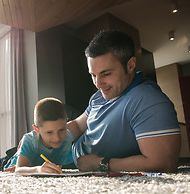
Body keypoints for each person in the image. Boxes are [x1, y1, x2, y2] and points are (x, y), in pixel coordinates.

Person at [67, 30, 181, 173]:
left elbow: (164, 163)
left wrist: (100, 164)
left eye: (106, 74)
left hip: (75, 164)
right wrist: (50, 139)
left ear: (131, 65)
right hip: (64, 151)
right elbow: (78, 125)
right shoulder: (99, 95)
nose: (97, 84)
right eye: (93, 75)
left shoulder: (148, 100)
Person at [0, 97, 74, 174]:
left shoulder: (68, 137)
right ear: (36, 129)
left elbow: (58, 162)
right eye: (49, 132)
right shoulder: (30, 140)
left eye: (61, 130)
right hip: (12, 161)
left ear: (66, 122)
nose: (57, 137)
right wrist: (37, 170)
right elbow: (19, 169)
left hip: (31, 157)